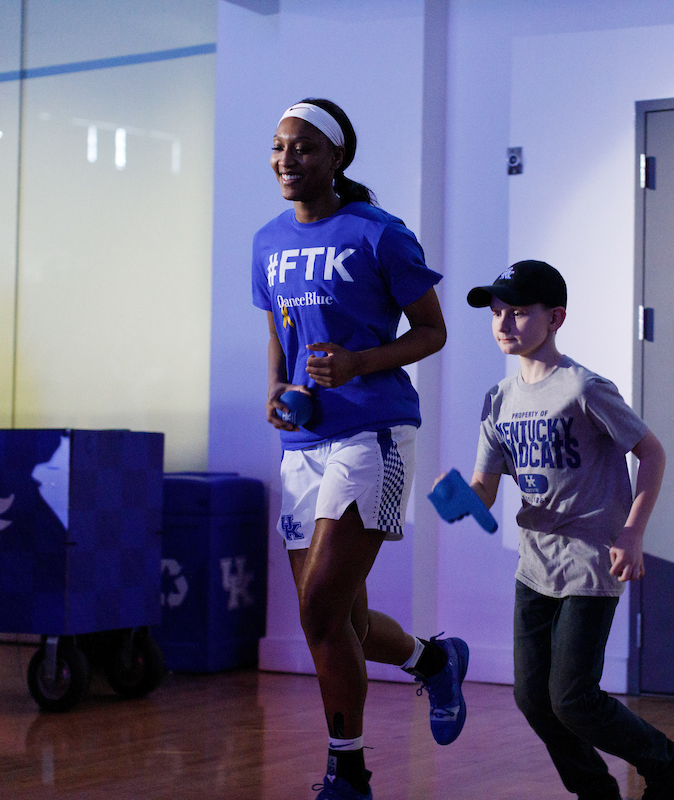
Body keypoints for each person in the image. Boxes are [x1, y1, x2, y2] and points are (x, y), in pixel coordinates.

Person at [251, 98, 465, 800]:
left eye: (304, 147)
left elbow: (432, 331)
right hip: (303, 442)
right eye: (279, 146)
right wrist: (277, 386)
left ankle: (348, 772)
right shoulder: (267, 241)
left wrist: (357, 363)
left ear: (337, 157)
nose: (287, 159)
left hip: (374, 433)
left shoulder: (379, 233)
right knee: (340, 619)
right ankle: (433, 661)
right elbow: (278, 328)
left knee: (319, 610)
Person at [445, 260, 674, 800]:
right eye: (497, 312)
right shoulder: (499, 399)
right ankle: (596, 792)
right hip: (534, 567)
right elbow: (484, 486)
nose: (503, 323)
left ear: (555, 317)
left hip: (590, 562)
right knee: (532, 699)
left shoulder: (584, 388)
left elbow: (652, 453)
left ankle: (673, 766)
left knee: (572, 698)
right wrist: (461, 499)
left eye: (519, 312)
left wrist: (632, 532)